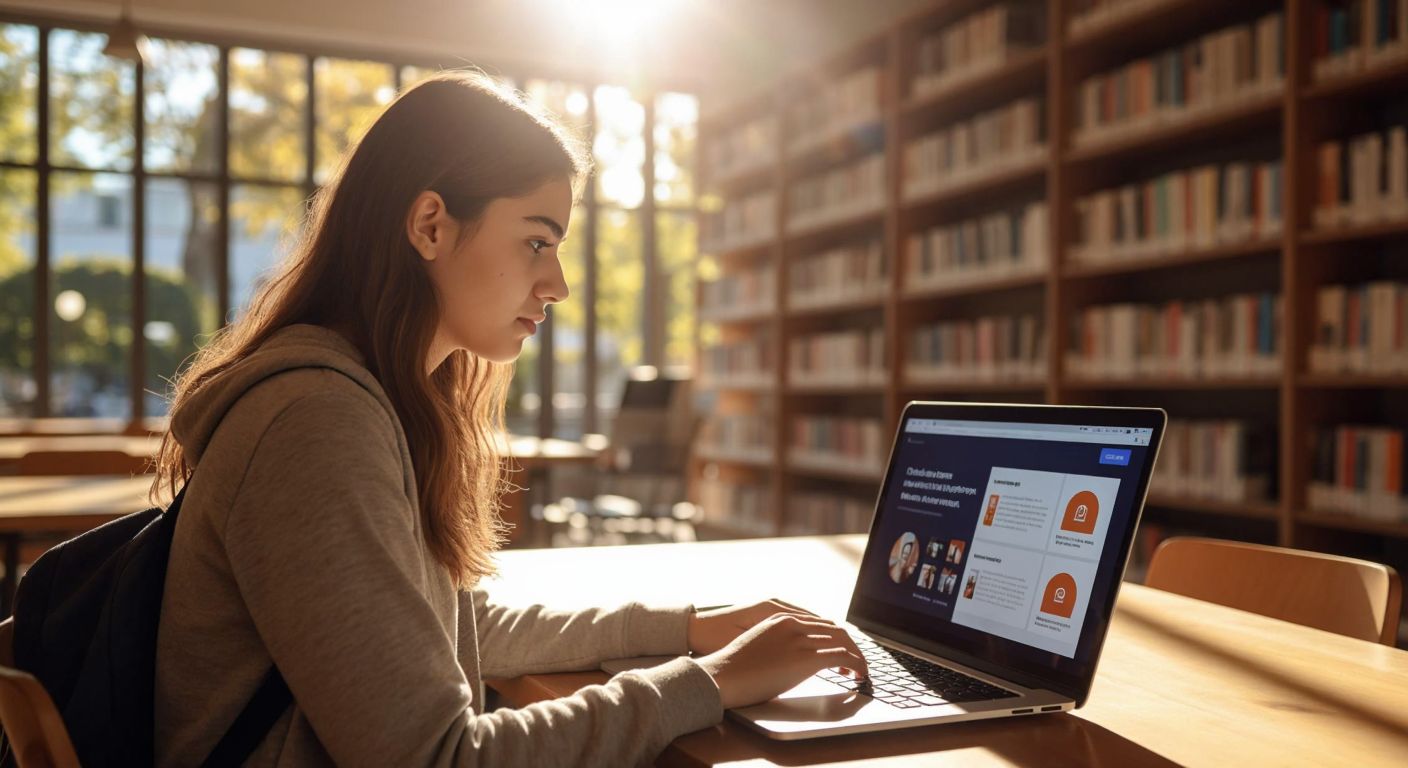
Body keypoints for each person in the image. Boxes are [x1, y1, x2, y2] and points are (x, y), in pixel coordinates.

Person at [150, 71, 867, 767]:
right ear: (430, 224)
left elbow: (449, 630)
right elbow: (438, 757)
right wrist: (713, 682)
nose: (556, 283)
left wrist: (686, 630)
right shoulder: (317, 424)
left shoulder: (366, 401)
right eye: (537, 240)